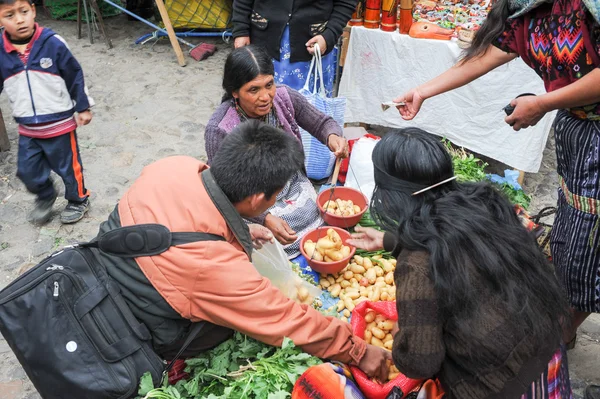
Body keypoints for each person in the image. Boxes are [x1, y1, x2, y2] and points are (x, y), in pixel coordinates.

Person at [95, 120, 390, 382]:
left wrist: (240, 229)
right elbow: (282, 319)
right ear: (258, 200)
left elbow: (174, 223)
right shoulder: (213, 266)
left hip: (104, 263)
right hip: (127, 323)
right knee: (228, 328)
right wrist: (358, 351)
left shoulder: (174, 166)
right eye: (275, 198)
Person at [394, 0, 600, 349]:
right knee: (573, 225)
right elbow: (484, 56)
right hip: (577, 130)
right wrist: (423, 92)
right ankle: (564, 318)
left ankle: (560, 333)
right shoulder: (527, 11)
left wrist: (543, 103)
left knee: (587, 238)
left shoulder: (586, 8)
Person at [347, 128, 572, 398]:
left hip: (506, 386)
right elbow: (452, 244)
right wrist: (391, 241)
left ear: (393, 195)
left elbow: (421, 362)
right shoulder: (484, 201)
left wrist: (402, 337)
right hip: (547, 352)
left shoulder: (417, 266)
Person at [205, 45, 348, 258]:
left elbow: (320, 122)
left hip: (288, 184)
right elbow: (221, 191)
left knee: (314, 213)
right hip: (250, 200)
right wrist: (264, 218)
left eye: (269, 85)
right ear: (235, 92)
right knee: (268, 240)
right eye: (254, 90)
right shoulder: (220, 129)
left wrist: (333, 137)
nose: (265, 97)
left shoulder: (283, 97)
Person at [0, 0, 93, 224]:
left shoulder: (53, 44)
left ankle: (79, 200)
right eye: (9, 15)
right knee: (27, 170)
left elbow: (74, 75)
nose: (19, 19)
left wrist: (83, 106)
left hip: (59, 124)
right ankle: (46, 194)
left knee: (69, 168)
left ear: (33, 10)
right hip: (27, 128)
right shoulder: (1, 51)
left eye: (24, 12)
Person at [231, 0, 357, 95]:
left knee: (309, 114)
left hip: (314, 43)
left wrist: (330, 34)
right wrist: (241, 29)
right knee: (260, 104)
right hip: (263, 40)